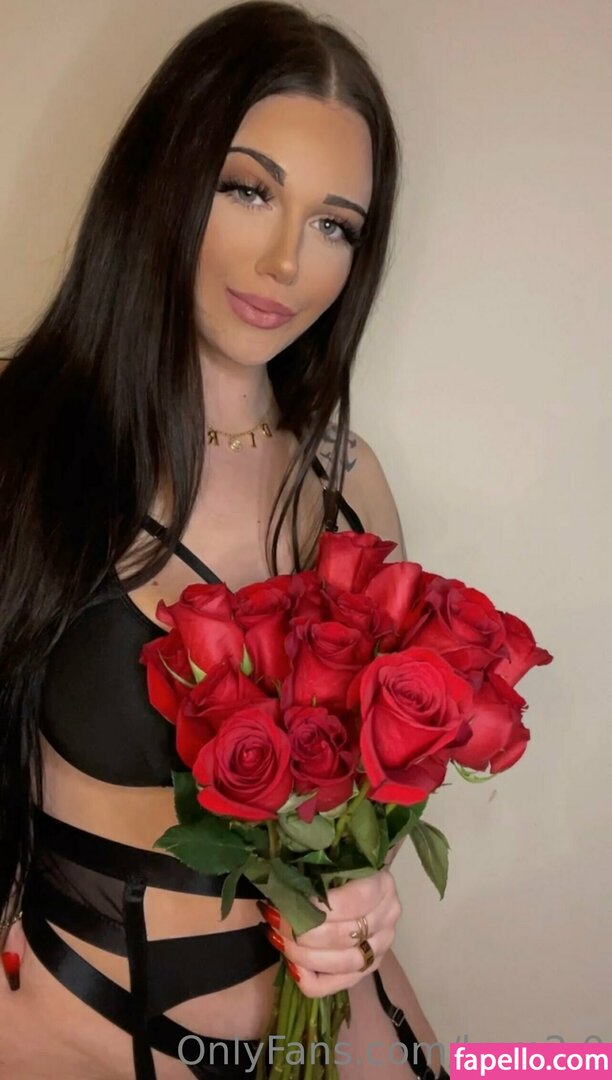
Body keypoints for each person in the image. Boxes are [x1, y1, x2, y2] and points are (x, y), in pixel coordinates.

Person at [0, 3, 449, 1078]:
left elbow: (367, 801)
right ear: (163, 176)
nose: (288, 260)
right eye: (249, 190)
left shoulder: (350, 482)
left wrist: (365, 895)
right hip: (80, 1032)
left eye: (336, 225)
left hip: (345, 1033)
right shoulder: (22, 448)